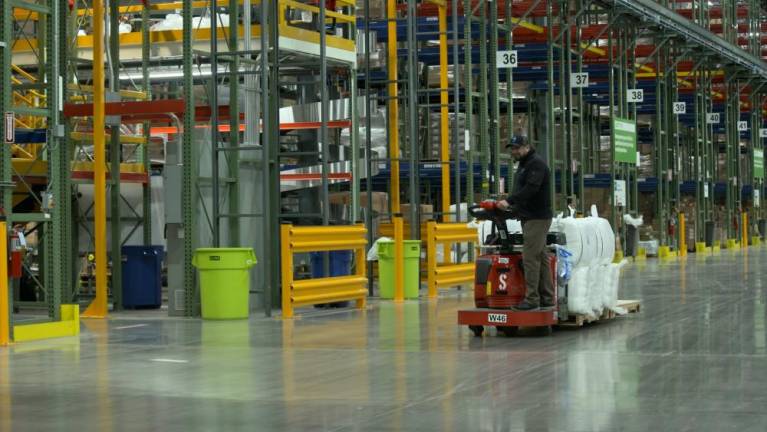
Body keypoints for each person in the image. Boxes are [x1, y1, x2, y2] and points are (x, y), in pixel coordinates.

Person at [496, 135, 554, 311]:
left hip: (537, 217)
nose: (514, 151)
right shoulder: (524, 164)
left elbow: (531, 189)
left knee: (529, 257)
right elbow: (523, 190)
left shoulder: (536, 164)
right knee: (541, 256)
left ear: (527, 147)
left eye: (516, 148)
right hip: (529, 216)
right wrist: (514, 208)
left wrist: (510, 201)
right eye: (512, 148)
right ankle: (547, 297)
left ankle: (532, 300)